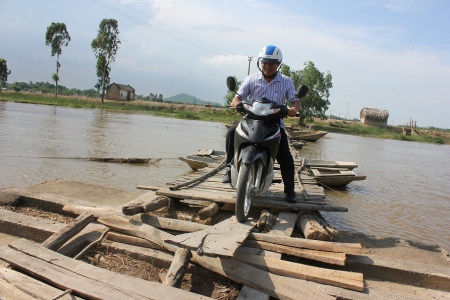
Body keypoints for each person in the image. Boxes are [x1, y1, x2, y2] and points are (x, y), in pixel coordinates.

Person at [222, 45, 300, 203]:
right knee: (231, 133)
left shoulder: (286, 81)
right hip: (250, 120)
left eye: (271, 63)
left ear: (278, 64)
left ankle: (290, 191)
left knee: (285, 155)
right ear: (260, 62)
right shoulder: (251, 79)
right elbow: (238, 96)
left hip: (274, 123)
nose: (267, 66)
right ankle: (230, 168)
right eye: (264, 62)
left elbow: (295, 101)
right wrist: (235, 102)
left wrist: (293, 109)